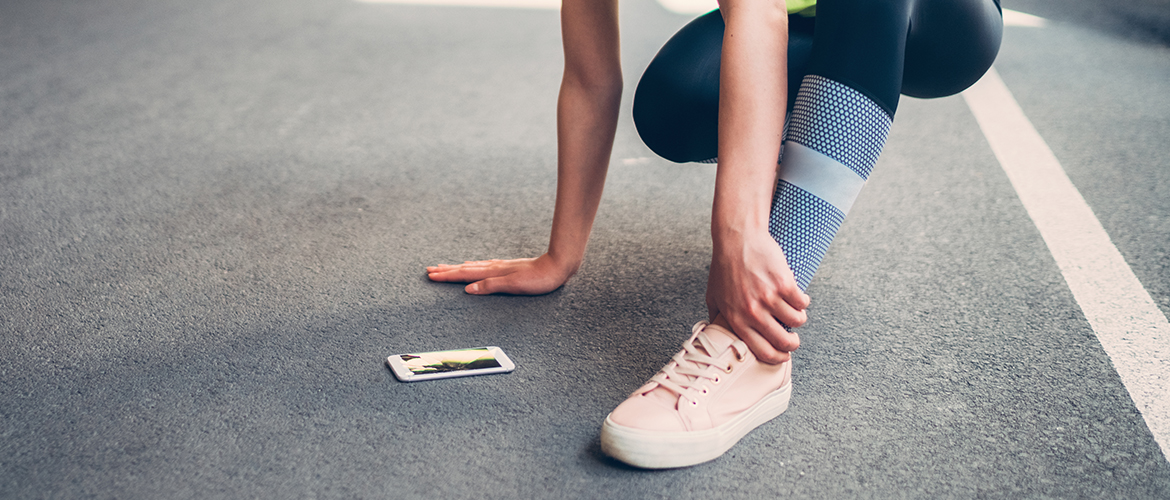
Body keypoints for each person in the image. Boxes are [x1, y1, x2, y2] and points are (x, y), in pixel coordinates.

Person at [427, 0, 1002, 468]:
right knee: (672, 103)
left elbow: (758, 12)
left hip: (940, 23)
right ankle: (806, 145)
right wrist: (561, 255)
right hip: (807, 18)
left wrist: (741, 235)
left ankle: (753, 339)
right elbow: (589, 79)